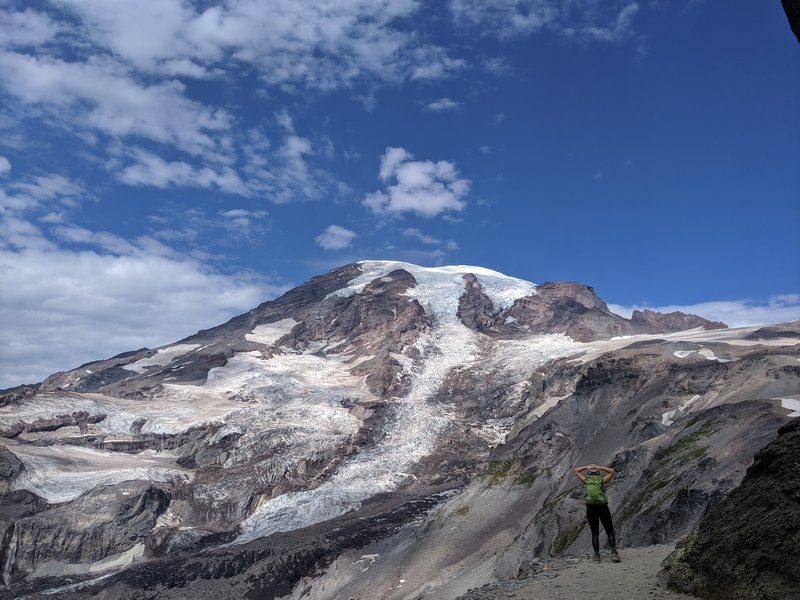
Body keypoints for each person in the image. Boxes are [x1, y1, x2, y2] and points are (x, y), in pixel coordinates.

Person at [574, 463, 620, 563]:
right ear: (598, 473)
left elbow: (576, 470)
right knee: (609, 530)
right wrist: (599, 467)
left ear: (589, 473)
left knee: (594, 533)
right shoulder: (601, 480)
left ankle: (596, 556)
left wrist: (586, 466)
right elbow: (611, 471)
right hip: (603, 507)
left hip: (591, 509)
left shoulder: (586, 481)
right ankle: (614, 553)